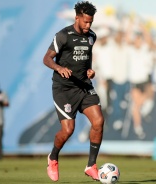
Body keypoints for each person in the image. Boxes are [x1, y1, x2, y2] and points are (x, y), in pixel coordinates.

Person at [43, 1, 104, 181]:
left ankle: (91, 165)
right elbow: (46, 58)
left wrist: (90, 71)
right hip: (64, 89)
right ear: (77, 17)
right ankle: (53, 157)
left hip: (84, 86)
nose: (88, 25)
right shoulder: (63, 35)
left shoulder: (92, 36)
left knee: (99, 121)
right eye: (85, 22)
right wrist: (58, 68)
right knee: (68, 129)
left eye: (90, 22)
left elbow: (86, 58)